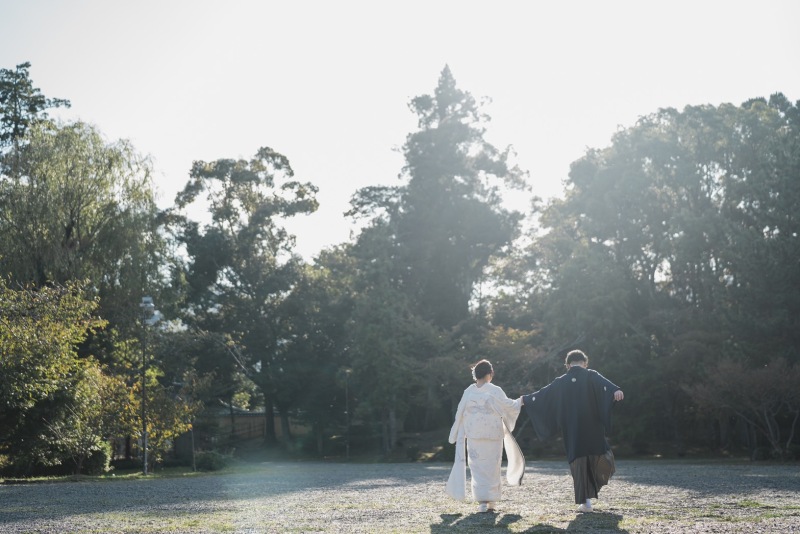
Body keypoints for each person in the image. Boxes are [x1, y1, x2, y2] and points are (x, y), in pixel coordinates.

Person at [519, 349, 624, 513]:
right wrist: (615, 391)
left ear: (567, 365)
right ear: (585, 363)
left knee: (579, 462)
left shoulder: (561, 381)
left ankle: (586, 502)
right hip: (593, 427)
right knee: (603, 457)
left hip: (573, 429)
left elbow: (542, 395)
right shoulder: (591, 375)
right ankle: (592, 490)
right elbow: (608, 386)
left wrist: (526, 399)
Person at [447, 359, 525, 513]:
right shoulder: (495, 390)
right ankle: (491, 501)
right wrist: (520, 401)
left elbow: (460, 412)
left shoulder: (469, 391)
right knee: (492, 467)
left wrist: (456, 431)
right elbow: (508, 405)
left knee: (477, 467)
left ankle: (482, 502)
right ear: (490, 373)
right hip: (492, 434)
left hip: (474, 434)